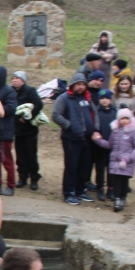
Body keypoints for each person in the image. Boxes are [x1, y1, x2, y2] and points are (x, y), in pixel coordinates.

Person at [51, 73, 97, 205]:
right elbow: (55, 115)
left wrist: (96, 129)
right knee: (72, 166)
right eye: (78, 84)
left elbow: (94, 113)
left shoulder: (87, 97)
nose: (81, 87)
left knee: (85, 166)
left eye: (83, 84)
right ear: (73, 85)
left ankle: (80, 190)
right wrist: (69, 125)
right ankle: (69, 192)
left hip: (86, 138)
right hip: (71, 138)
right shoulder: (64, 98)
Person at [92, 107, 135, 212]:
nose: (124, 120)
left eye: (126, 118)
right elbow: (110, 144)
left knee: (124, 182)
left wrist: (130, 157)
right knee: (117, 181)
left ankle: (122, 198)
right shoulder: (115, 131)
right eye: (122, 118)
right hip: (115, 161)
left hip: (127, 162)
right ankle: (117, 199)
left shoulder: (133, 132)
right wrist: (98, 141)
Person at [12, 71, 43, 190]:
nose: (15, 80)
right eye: (13, 78)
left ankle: (34, 178)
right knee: (20, 155)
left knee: (31, 155)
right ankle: (22, 177)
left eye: (17, 78)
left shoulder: (30, 90)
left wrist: (28, 117)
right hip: (17, 130)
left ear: (23, 80)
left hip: (30, 130)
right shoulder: (11, 91)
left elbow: (39, 104)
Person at [0, 66, 18, 196]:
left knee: (6, 159)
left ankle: (11, 185)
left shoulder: (8, 91)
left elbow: (11, 109)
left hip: (4, 130)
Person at [92, 89, 117, 201]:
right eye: (102, 98)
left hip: (113, 145)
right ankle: (100, 187)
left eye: (107, 98)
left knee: (111, 167)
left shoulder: (115, 111)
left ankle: (111, 188)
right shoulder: (96, 111)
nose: (104, 100)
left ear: (110, 99)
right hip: (100, 145)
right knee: (100, 167)